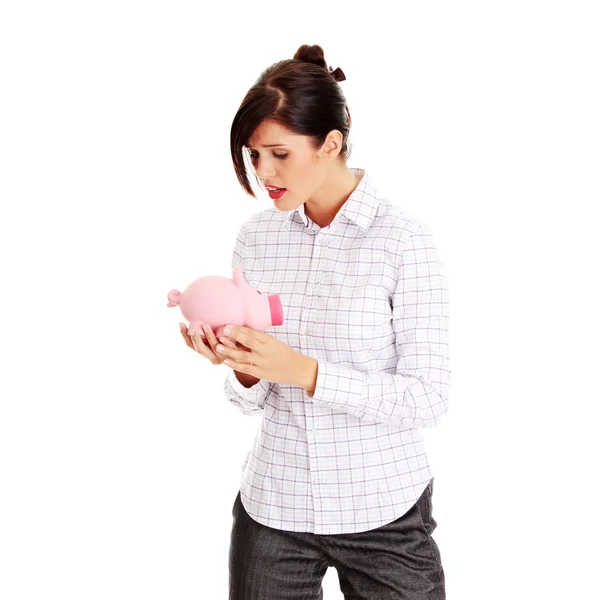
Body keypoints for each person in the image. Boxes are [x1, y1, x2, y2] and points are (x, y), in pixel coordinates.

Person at [180, 43, 451, 600]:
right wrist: (244, 367)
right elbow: (250, 399)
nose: (263, 173)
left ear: (331, 143)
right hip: (273, 506)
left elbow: (429, 398)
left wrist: (305, 371)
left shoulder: (403, 241)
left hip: (384, 508)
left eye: (278, 153)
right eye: (254, 155)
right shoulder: (256, 238)